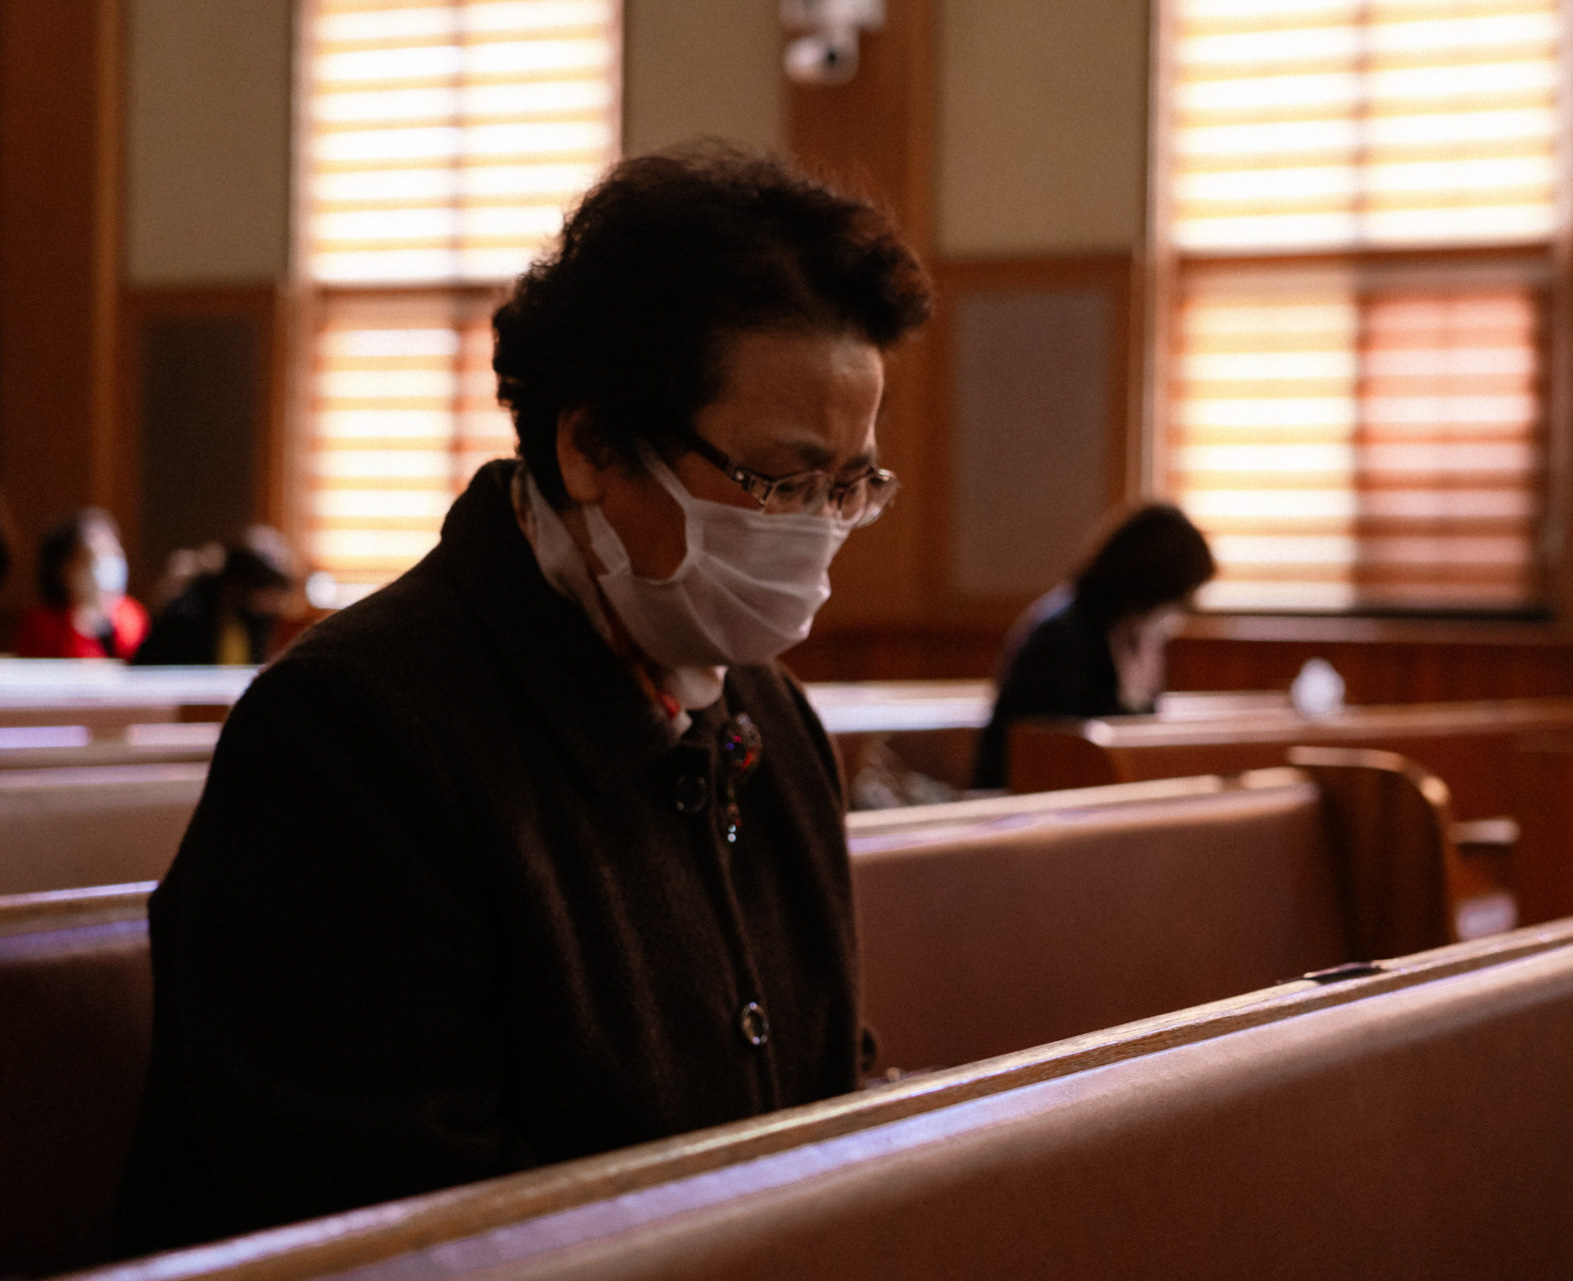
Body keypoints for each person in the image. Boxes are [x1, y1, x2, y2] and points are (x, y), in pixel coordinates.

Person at [116, 145, 932, 1253]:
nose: (818, 531)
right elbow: (383, 1221)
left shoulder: (770, 720)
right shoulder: (352, 732)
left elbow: (818, 1087)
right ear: (590, 447)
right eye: (779, 482)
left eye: (850, 486)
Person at [971, 504, 1215, 790]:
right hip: (1028, 793)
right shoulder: (1062, 635)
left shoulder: (1133, 635)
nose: (1171, 615)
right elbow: (1054, 750)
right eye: (1173, 599)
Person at [133, 529, 296, 666]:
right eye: (266, 590)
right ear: (237, 585)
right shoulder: (186, 614)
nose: (272, 601)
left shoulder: (256, 618)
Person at [16, 507, 149, 659]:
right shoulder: (43, 626)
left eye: (114, 554)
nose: (109, 565)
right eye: (96, 557)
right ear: (64, 569)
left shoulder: (132, 618)